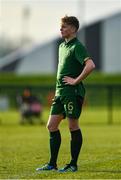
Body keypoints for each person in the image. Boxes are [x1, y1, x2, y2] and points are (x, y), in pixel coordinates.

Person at [36, 16, 95, 172]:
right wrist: (58, 91)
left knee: (72, 126)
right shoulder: (62, 46)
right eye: (60, 26)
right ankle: (52, 164)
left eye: (64, 26)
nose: (61, 29)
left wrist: (75, 81)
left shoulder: (77, 46)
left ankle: (73, 164)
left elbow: (90, 65)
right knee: (51, 125)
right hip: (60, 93)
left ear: (74, 29)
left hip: (72, 93)